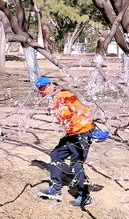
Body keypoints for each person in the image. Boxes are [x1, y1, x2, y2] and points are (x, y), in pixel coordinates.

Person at [35, 76, 95, 208]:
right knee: (56, 155)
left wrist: (91, 130)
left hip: (82, 133)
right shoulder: (54, 100)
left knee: (76, 164)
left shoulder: (65, 95)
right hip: (71, 134)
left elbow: (85, 111)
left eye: (44, 88)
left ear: (51, 85)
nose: (42, 91)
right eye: (40, 89)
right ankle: (55, 189)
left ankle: (85, 196)